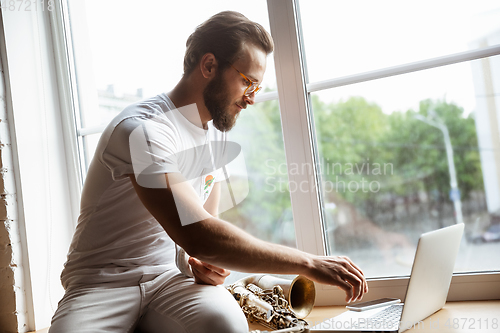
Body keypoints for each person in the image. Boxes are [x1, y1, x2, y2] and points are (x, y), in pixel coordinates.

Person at [49, 11, 368, 333]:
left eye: (257, 86)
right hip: (101, 282)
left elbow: (205, 230)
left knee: (226, 326)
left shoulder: (216, 135)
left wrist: (199, 263)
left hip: (168, 279)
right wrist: (309, 263)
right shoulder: (143, 130)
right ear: (209, 65)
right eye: (247, 82)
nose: (251, 99)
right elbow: (200, 235)